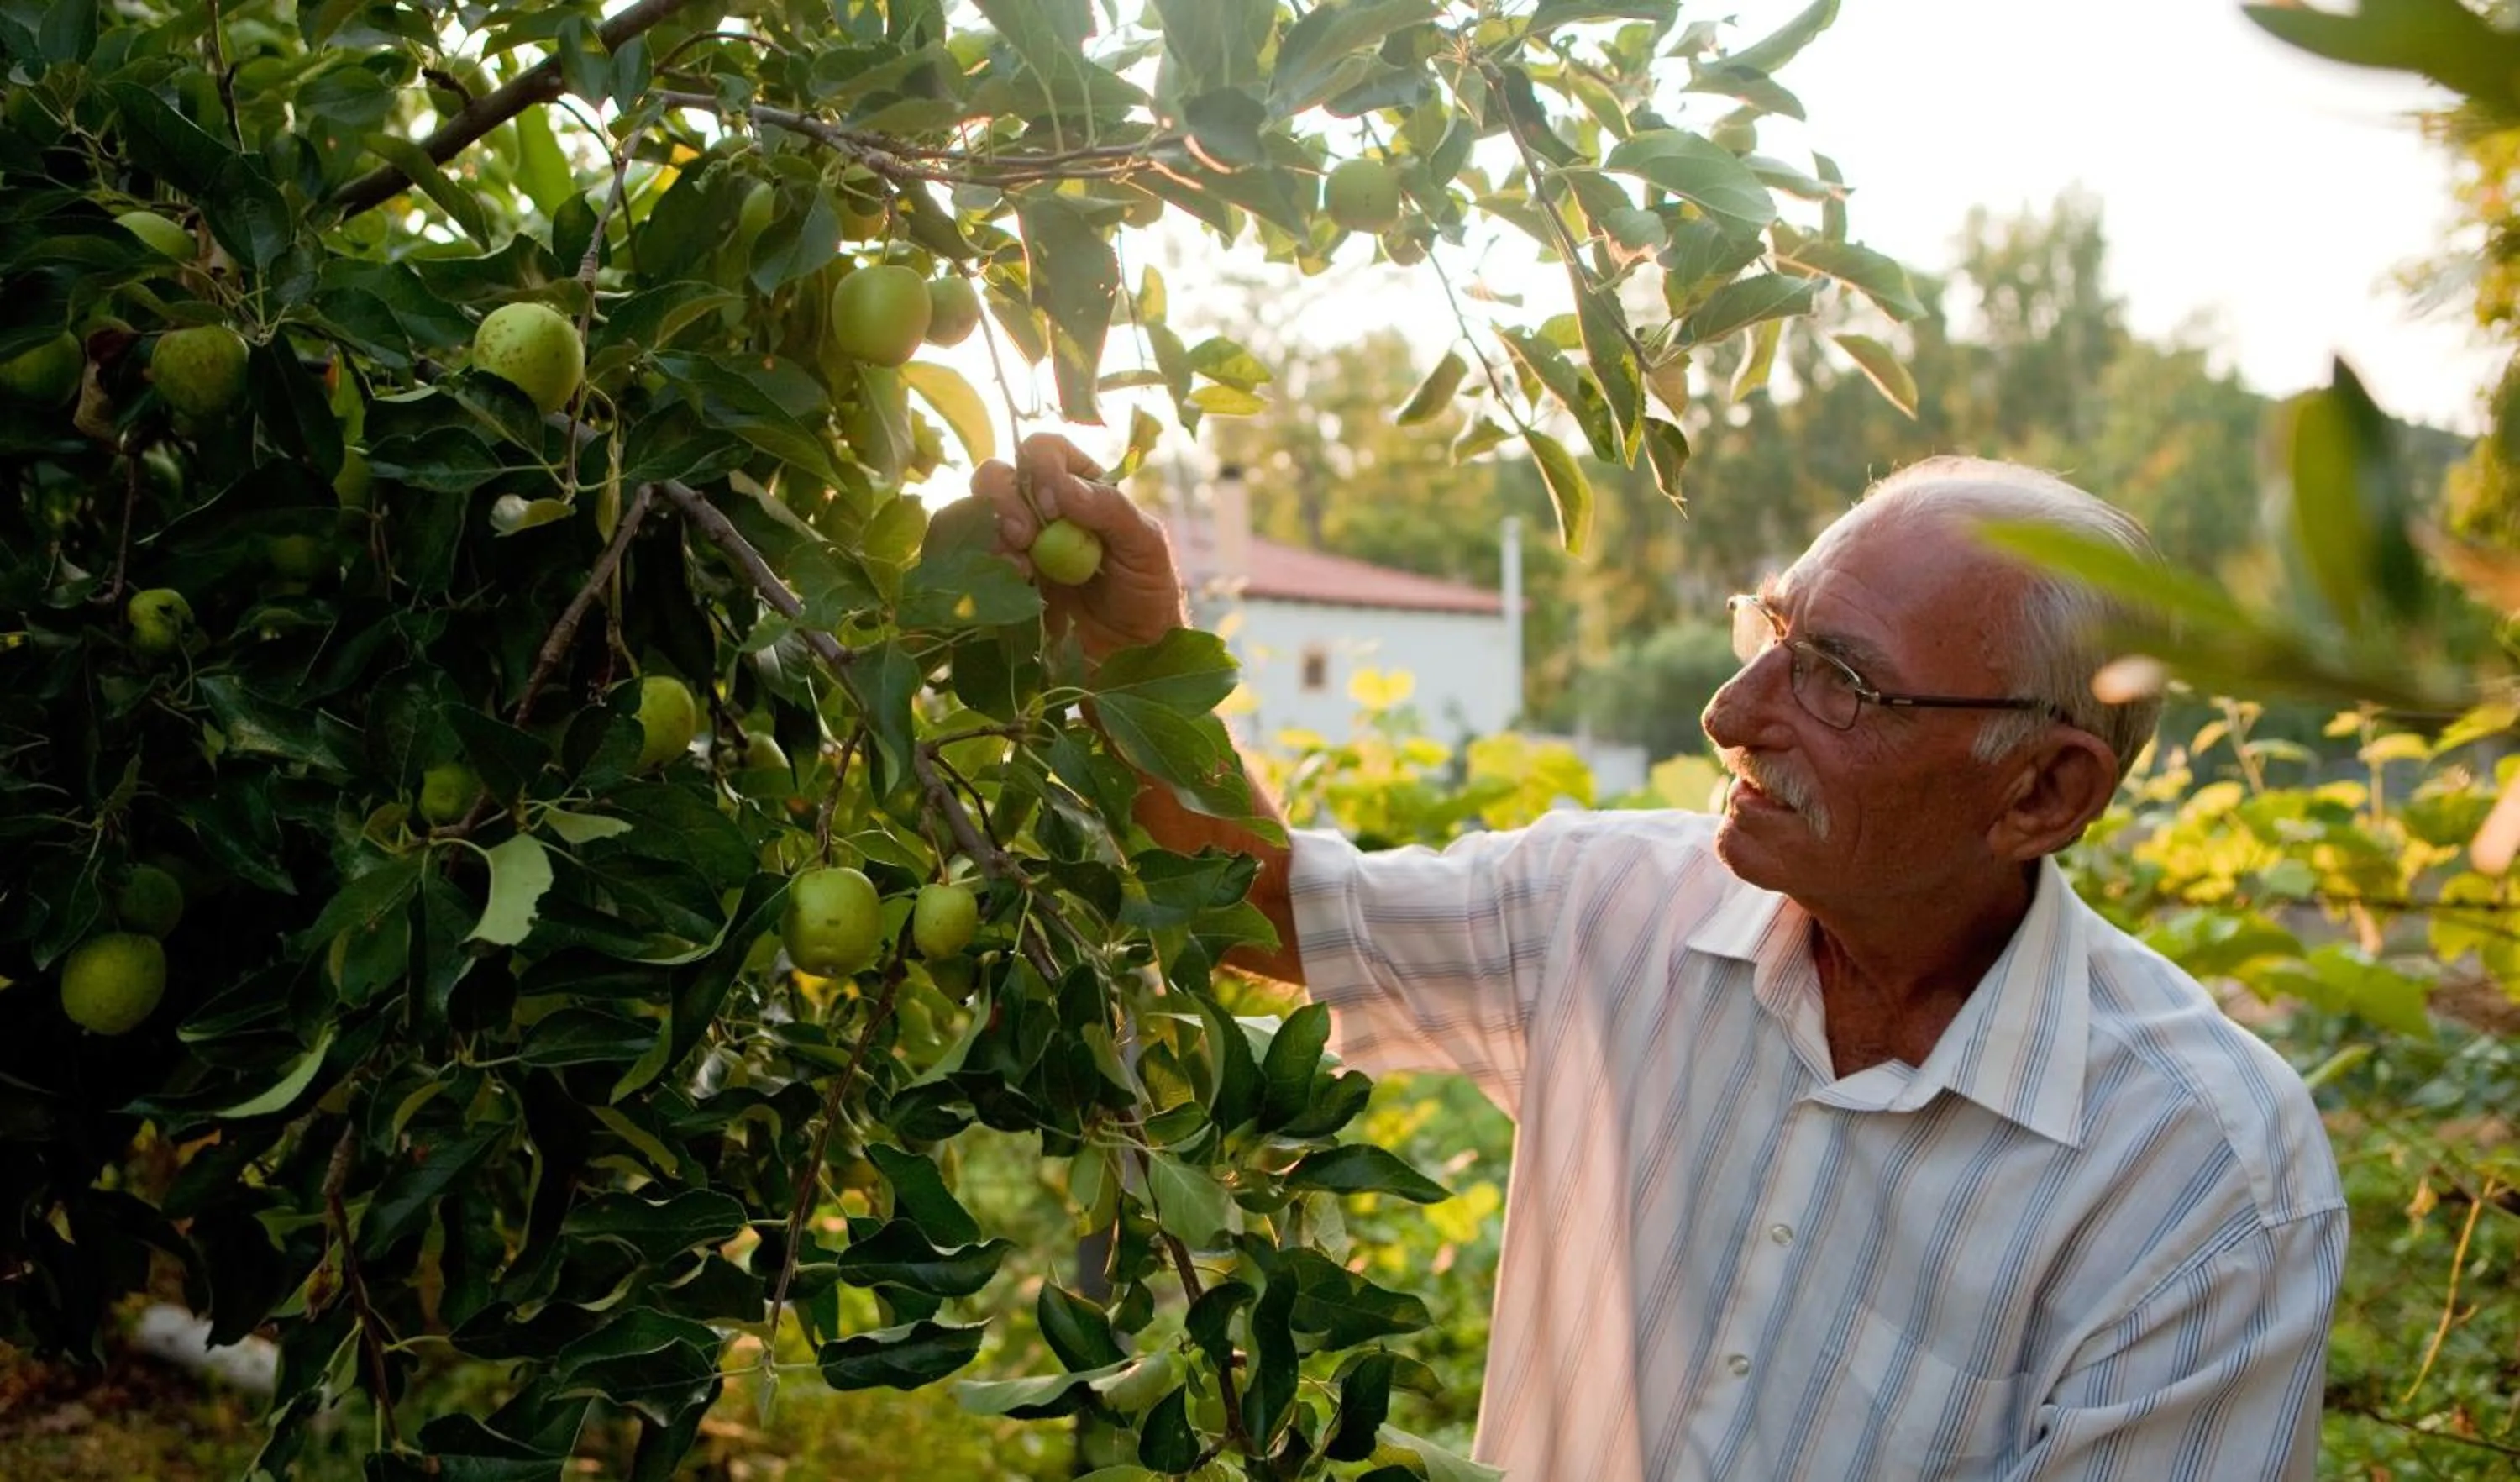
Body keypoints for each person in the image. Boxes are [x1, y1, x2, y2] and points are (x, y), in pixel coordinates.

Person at [965, 434, 2346, 1481]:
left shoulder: (2203, 1180)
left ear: (2042, 792)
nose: (1732, 710)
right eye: (1774, 632)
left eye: (1839, 683)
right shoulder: (1610, 908)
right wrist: (1132, 652)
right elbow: (1265, 911)